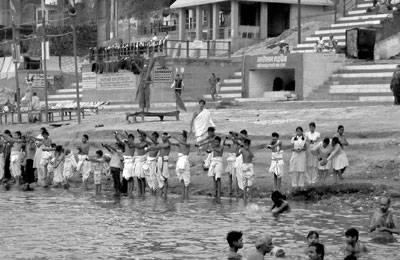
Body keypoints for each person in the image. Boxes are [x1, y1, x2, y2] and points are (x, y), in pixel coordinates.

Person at [146, 132, 171, 196]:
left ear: (167, 137)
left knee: (164, 177)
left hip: (164, 161)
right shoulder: (160, 144)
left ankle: (165, 194)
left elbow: (161, 146)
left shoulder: (168, 144)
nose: (162, 138)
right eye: (162, 137)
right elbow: (155, 147)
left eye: (164, 137)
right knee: (159, 177)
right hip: (159, 160)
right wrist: (149, 148)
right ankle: (161, 192)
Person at [171, 130, 191, 199]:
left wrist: (176, 138)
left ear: (185, 138)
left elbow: (183, 143)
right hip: (180, 160)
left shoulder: (188, 144)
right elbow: (172, 143)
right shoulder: (179, 144)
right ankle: (183, 194)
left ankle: (186, 194)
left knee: (186, 178)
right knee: (181, 177)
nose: (180, 138)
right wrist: (168, 139)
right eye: (179, 137)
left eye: (181, 137)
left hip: (185, 161)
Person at [114, 131, 135, 195]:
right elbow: (119, 141)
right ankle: (129, 191)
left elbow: (128, 141)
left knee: (130, 177)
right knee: (127, 177)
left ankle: (130, 191)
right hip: (126, 161)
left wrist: (122, 134)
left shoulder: (132, 143)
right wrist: (115, 135)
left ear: (132, 139)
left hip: (130, 161)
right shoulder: (126, 144)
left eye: (130, 138)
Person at [224, 132, 241, 196]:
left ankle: (237, 191)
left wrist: (233, 136)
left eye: (234, 138)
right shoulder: (231, 145)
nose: (232, 139)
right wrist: (226, 139)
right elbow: (224, 144)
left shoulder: (238, 145)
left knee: (236, 176)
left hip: (234, 160)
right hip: (230, 161)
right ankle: (230, 190)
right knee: (230, 176)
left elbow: (238, 141)